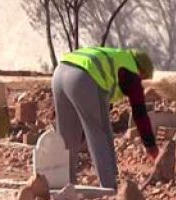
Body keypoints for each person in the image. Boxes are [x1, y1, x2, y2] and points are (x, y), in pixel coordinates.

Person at [52, 47, 158, 189]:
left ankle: (64, 186)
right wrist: (151, 147)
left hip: (59, 73)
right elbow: (140, 113)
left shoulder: (115, 59)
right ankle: (109, 188)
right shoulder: (131, 72)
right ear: (141, 71)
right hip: (83, 78)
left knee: (67, 137)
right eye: (143, 78)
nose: (140, 83)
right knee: (100, 133)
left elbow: (99, 104)